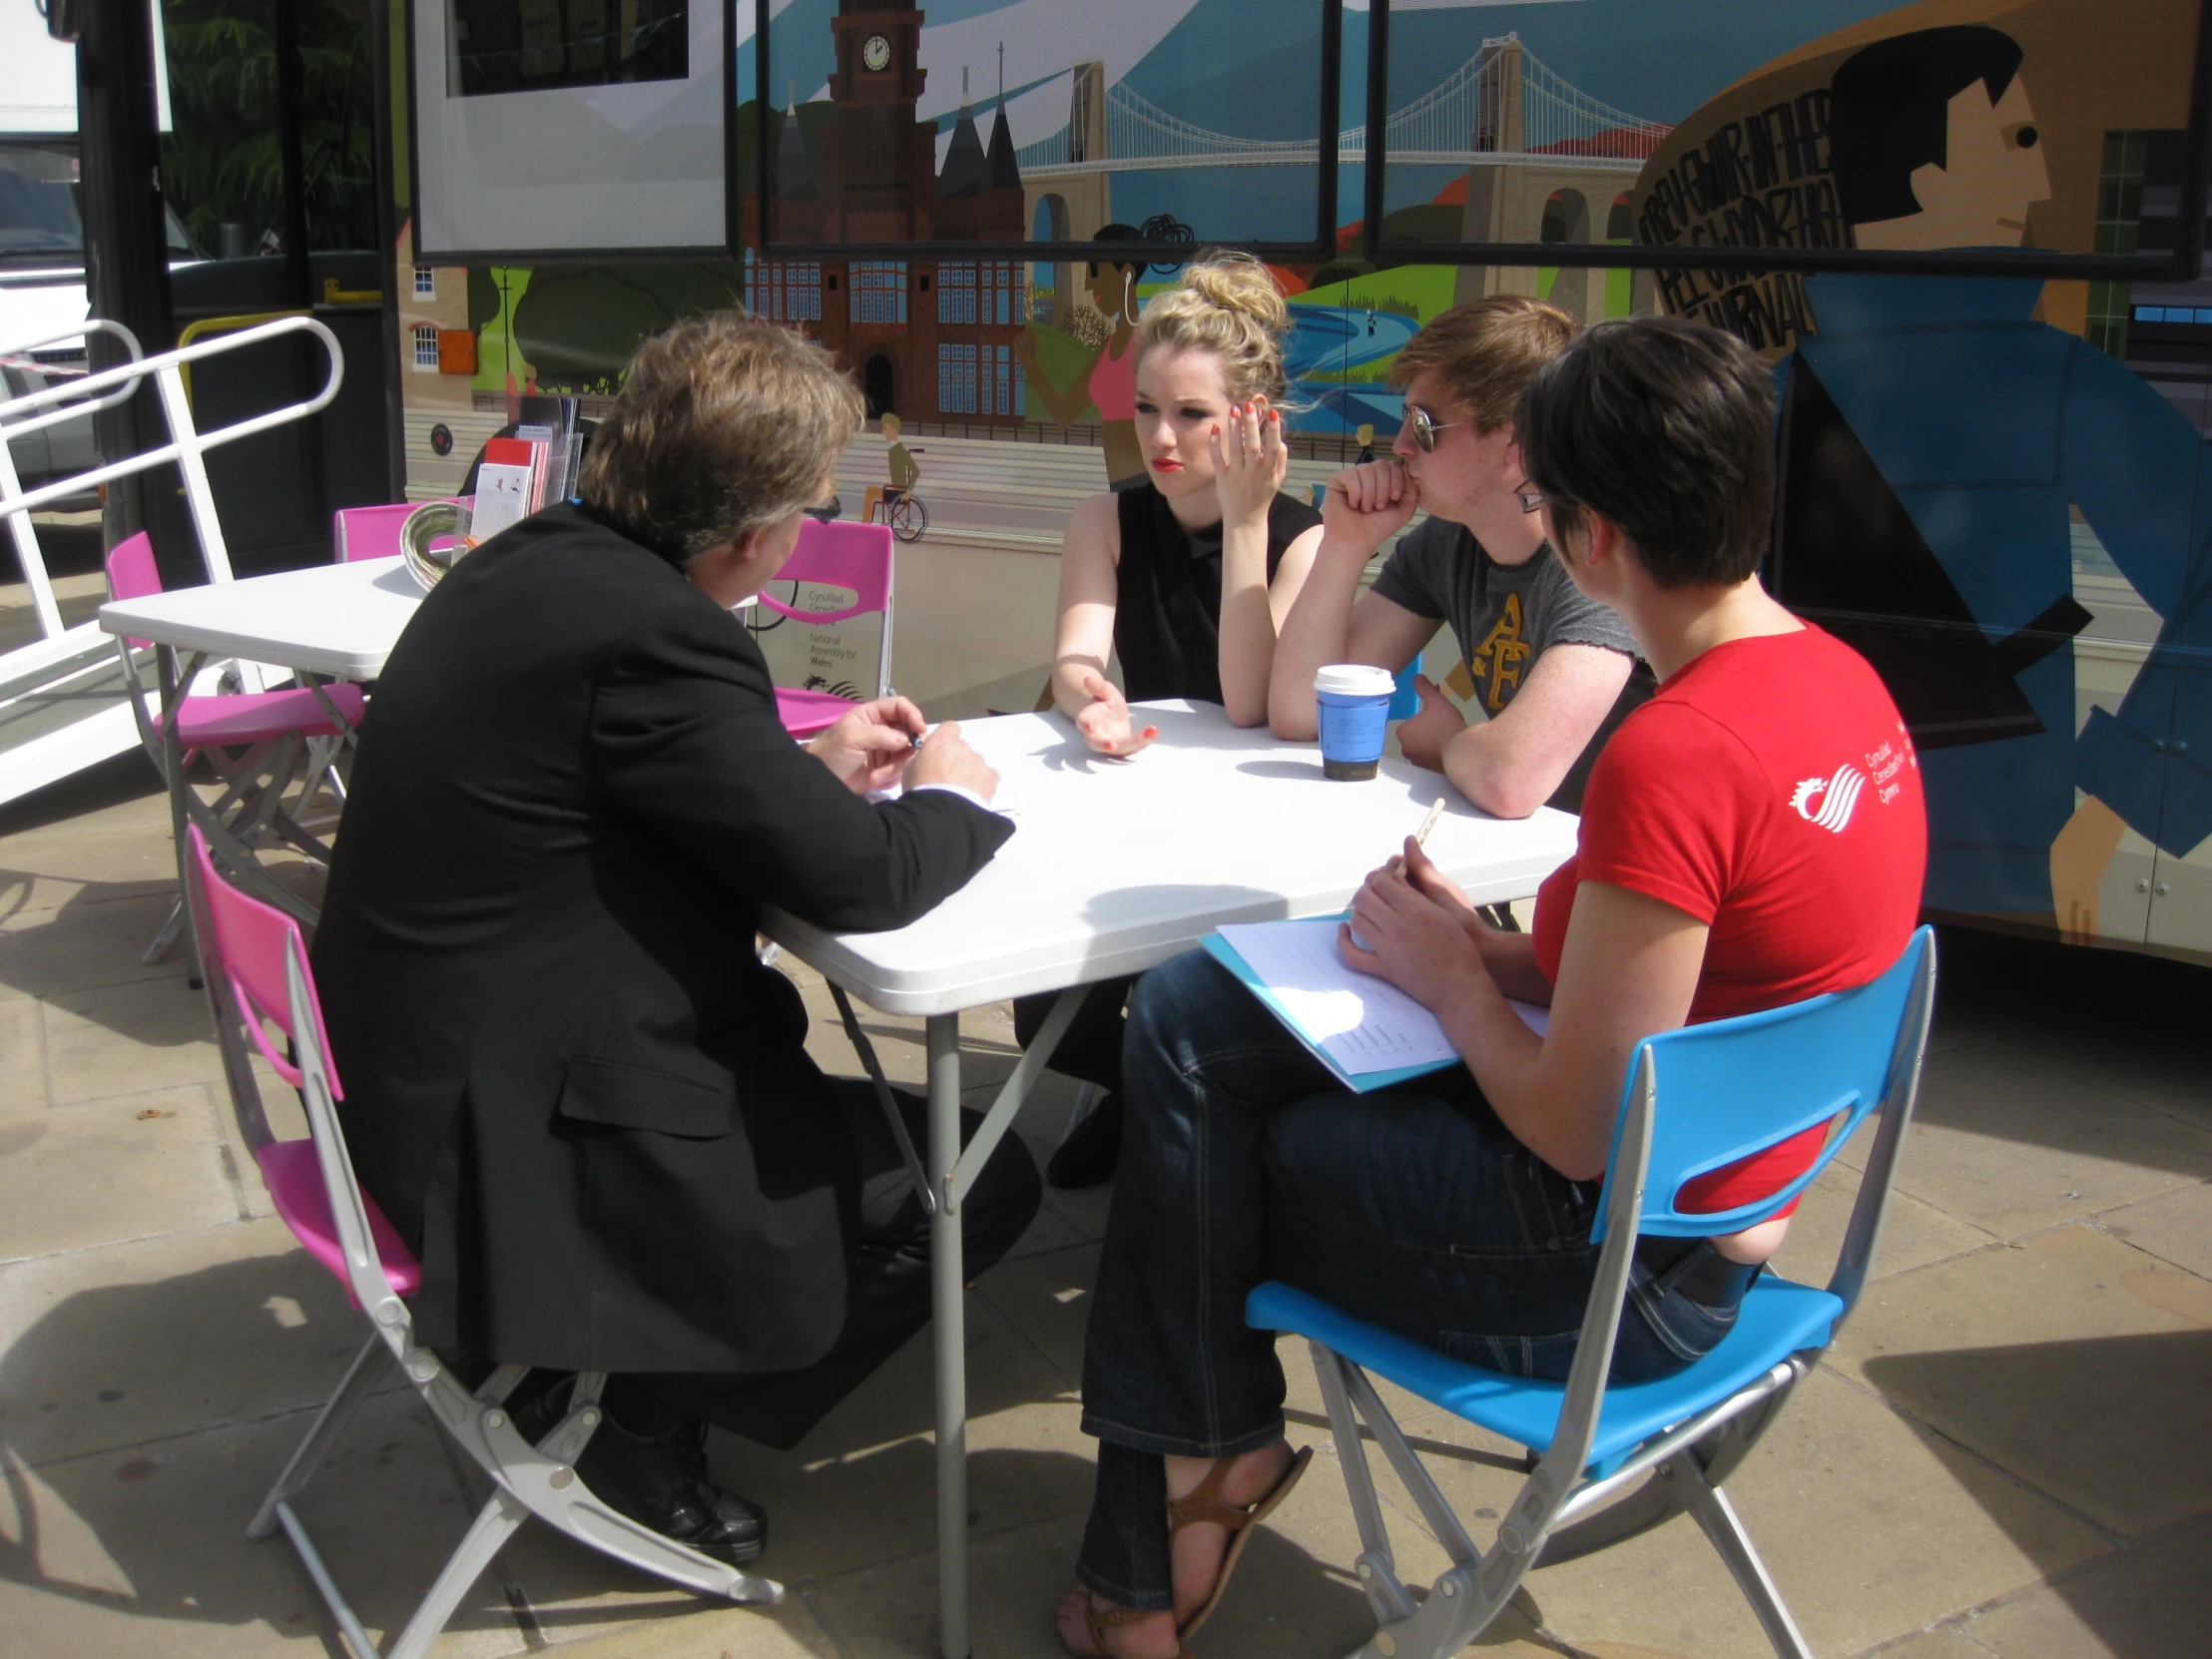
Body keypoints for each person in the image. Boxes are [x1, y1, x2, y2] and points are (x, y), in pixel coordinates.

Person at [1054, 315, 1928, 1658]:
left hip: (1620, 1271)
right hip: (1721, 1208)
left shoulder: (1679, 753)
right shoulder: (1846, 688)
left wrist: (1460, 977)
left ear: (1596, 539)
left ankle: (1162, 1527)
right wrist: (1475, 947)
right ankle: (1194, 1481)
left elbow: (1573, 1128)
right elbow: (1687, 971)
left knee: (1202, 1157)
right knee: (1190, 1014)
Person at [310, 314, 1041, 1566]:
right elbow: (860, 878)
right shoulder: (659, 634)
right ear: (752, 536)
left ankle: (605, 1378)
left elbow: (594, 785)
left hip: (408, 1076)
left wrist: (786, 766)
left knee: (896, 1136)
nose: (812, 524)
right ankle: (633, 1415)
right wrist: (956, 796)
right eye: (811, 505)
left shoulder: (530, 560)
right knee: (975, 1175)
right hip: (508, 1143)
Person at [1015, 251, 1326, 1190]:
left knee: (1179, 999)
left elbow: (1246, 702)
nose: (1161, 436)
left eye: (1191, 414)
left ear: (1252, 420)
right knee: (1041, 1018)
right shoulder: (1105, 521)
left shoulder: (1303, 539)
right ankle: (1159, 1097)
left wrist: (1243, 522)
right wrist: (1088, 697)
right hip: (1141, 820)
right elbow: (1076, 657)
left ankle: (1170, 1111)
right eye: (1147, 407)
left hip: (1258, 834)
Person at [1271, 295, 1651, 821]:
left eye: (1425, 425)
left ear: (1519, 441)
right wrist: (1344, 546)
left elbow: (1511, 780)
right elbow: (1301, 712)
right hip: (1553, 857)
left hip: (1655, 875)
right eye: (1403, 417)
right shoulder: (1447, 544)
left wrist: (1452, 746)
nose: (1400, 444)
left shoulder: (1599, 556)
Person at [1016, 223, 1150, 489]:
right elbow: (1064, 414)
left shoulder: (1151, 345)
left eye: (1096, 270)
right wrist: (1030, 363)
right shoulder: (1111, 348)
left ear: (1127, 273)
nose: (1089, 285)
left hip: (1149, 487)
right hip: (1122, 489)